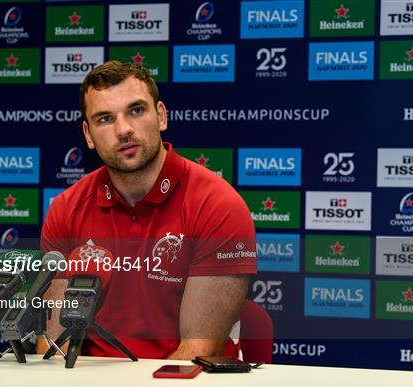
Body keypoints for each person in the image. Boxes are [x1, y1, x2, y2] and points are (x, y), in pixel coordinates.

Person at [39, 61, 257, 360]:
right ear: (89, 135)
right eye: (105, 118)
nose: (124, 129)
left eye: (136, 110)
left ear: (161, 116)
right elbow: (53, 342)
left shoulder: (218, 205)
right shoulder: (65, 209)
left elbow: (198, 350)